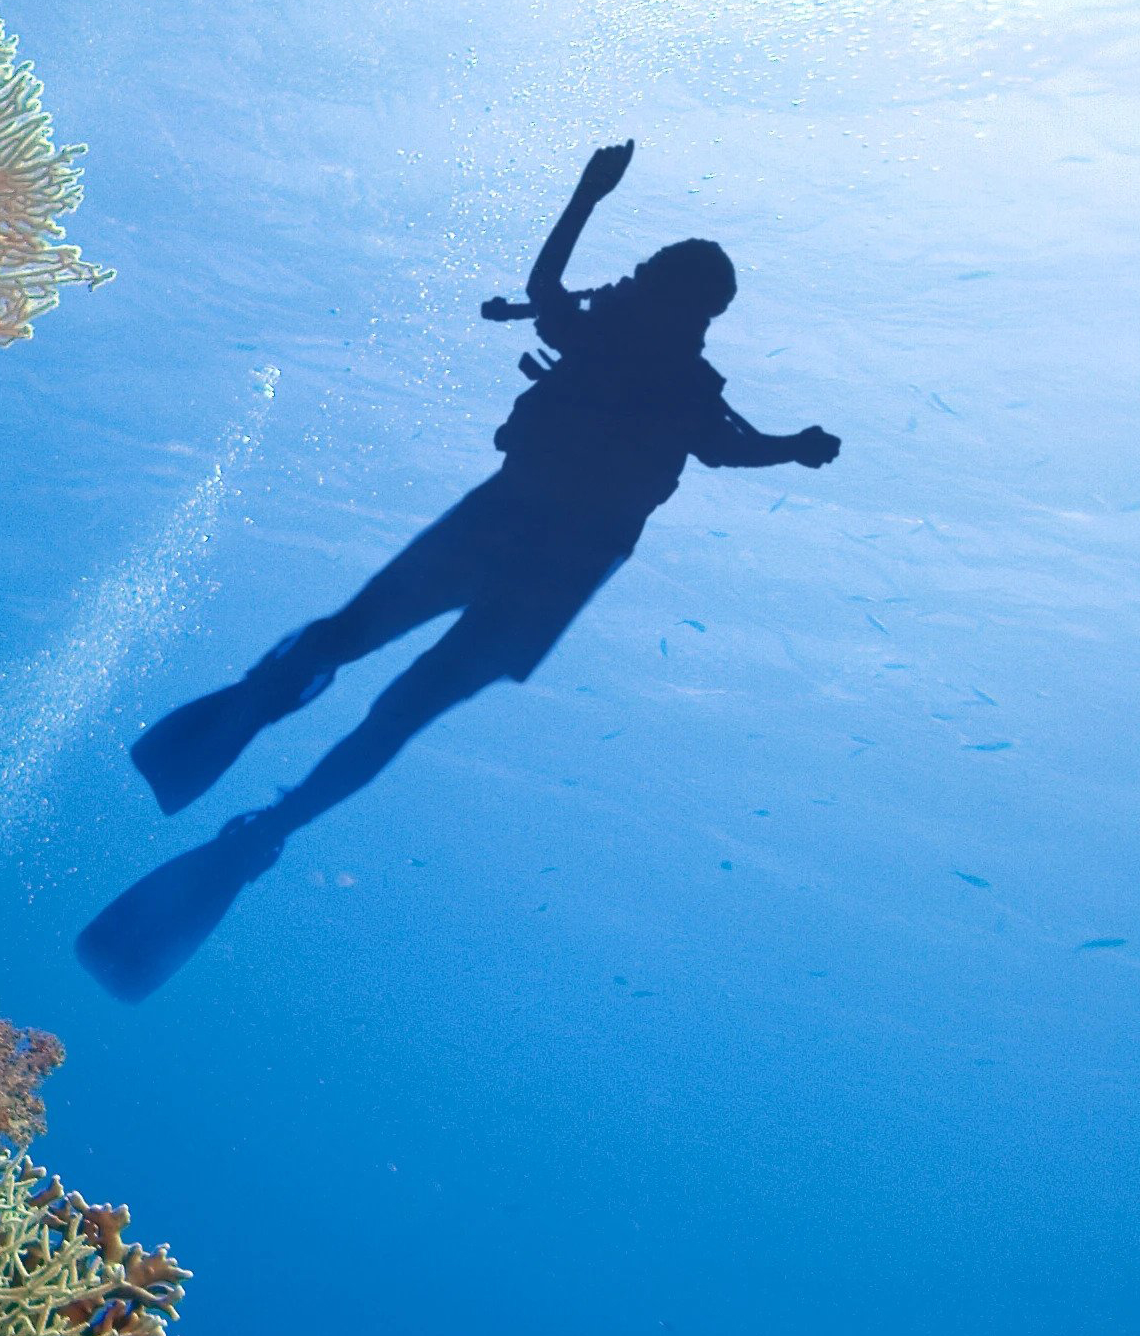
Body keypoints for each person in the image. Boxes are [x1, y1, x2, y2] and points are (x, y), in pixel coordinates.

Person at [78, 141, 839, 1001]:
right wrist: (795, 448)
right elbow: (728, 445)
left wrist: (589, 196)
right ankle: (268, 809)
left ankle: (264, 770)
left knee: (369, 667)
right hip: (544, 561)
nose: (671, 305)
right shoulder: (659, 366)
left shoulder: (644, 358)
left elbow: (578, 311)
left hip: (513, 536)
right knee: (388, 694)